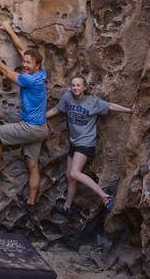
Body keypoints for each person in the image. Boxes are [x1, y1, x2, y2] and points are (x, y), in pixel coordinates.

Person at [47, 76, 133, 213]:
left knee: (75, 173)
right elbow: (57, 109)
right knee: (70, 176)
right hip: (74, 142)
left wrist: (129, 110)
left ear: (84, 87)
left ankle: (105, 196)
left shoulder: (92, 102)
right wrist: (40, 118)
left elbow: (110, 106)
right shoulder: (67, 97)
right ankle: (67, 207)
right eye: (73, 85)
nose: (75, 88)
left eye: (78, 85)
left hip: (86, 142)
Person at [0, 22, 48, 211]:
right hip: (41, 129)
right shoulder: (41, 73)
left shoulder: (30, 80)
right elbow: (23, 49)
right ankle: (31, 204)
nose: (24, 64)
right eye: (25, 62)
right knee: (32, 165)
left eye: (28, 63)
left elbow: (7, 72)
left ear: (37, 66)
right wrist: (8, 29)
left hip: (30, 127)